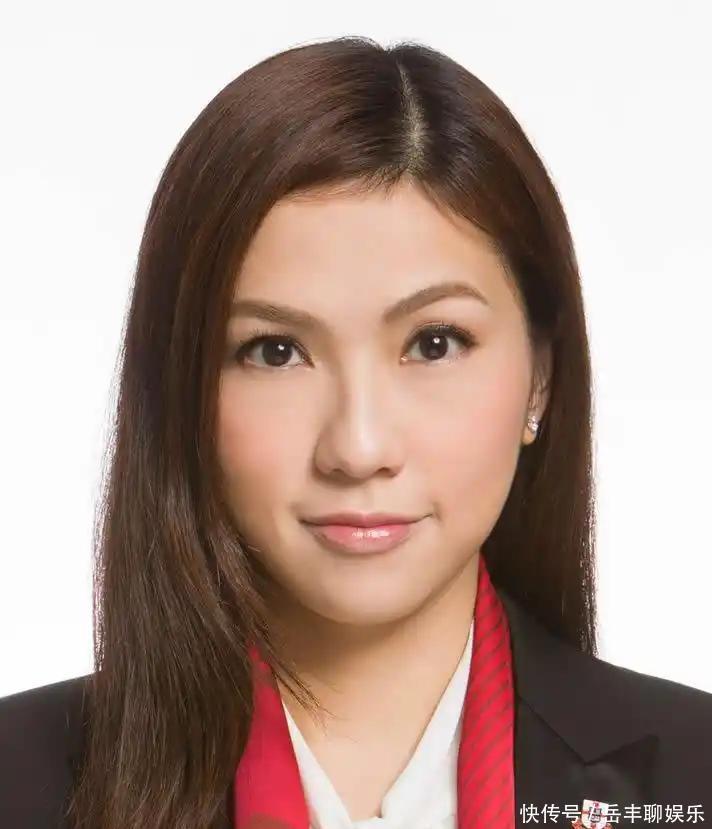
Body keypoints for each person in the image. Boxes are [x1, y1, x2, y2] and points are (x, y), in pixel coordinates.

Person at [1, 35, 710, 829]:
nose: (359, 448)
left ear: (540, 376)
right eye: (275, 351)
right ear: (184, 389)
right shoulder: (17, 785)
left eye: (434, 343)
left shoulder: (692, 778)